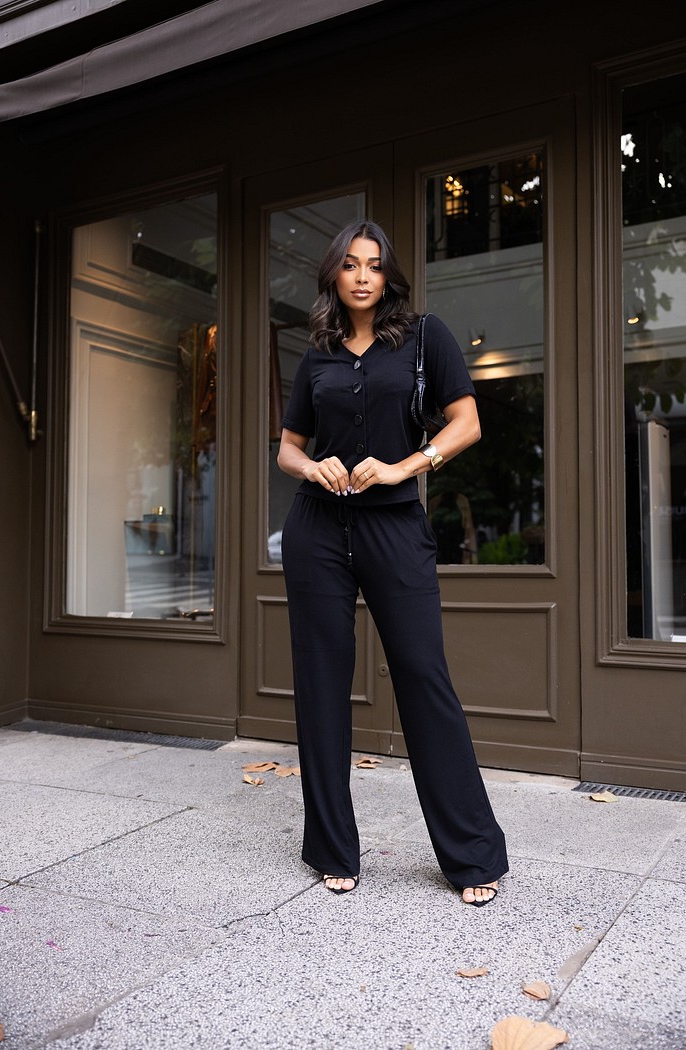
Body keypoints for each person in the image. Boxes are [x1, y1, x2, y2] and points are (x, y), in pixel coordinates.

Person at [277, 220, 508, 906]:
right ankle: (330, 848)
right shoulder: (316, 354)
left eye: (374, 266)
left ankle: (472, 855)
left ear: (388, 277)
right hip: (318, 529)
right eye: (349, 265)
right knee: (320, 686)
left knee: (423, 678)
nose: (361, 276)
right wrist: (313, 466)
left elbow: (465, 422)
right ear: (334, 275)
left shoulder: (421, 337)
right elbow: (287, 448)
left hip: (394, 526)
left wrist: (406, 464)